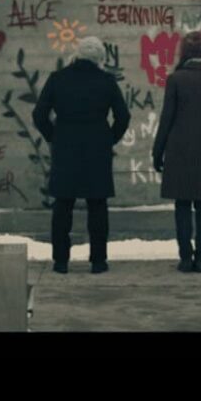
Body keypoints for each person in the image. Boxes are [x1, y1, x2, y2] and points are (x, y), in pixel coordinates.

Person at [33, 36, 130, 274]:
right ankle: (98, 261)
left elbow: (39, 114)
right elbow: (123, 116)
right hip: (97, 148)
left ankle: (61, 261)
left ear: (77, 54)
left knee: (63, 204)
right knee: (97, 204)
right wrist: (109, 139)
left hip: (66, 146)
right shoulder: (106, 81)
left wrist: (53, 136)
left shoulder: (58, 79)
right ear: (99, 58)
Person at [151, 31, 201, 273]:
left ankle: (186, 257)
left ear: (184, 52)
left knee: (182, 204)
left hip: (179, 149)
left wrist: (158, 152)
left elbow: (167, 119)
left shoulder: (176, 79)